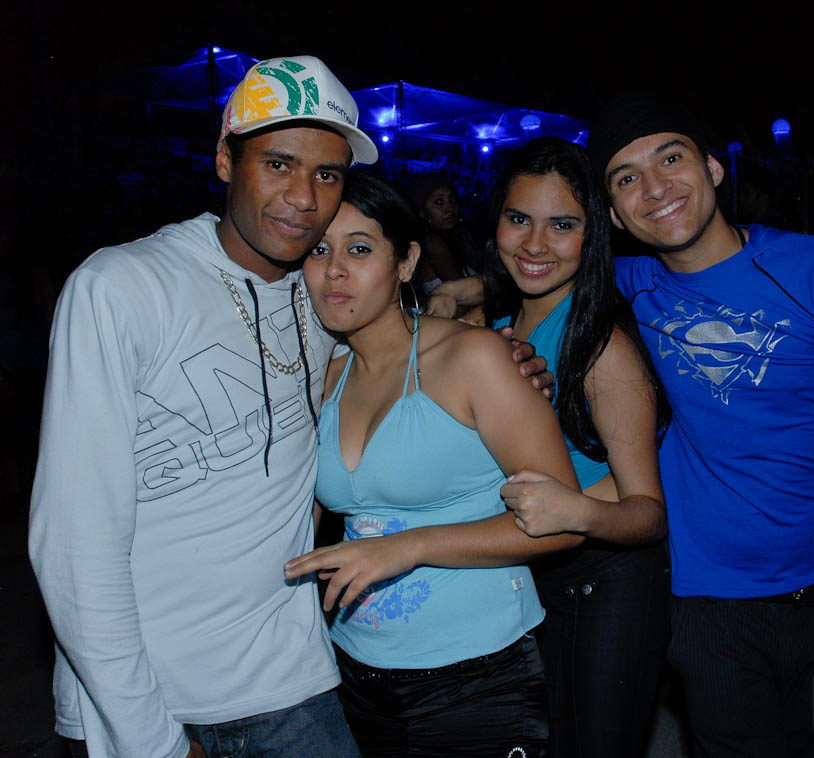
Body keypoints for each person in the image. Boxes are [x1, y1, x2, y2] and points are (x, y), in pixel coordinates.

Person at [28, 55, 551, 758]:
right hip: (155, 701)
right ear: (224, 160)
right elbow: (71, 543)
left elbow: (398, 334)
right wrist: (147, 736)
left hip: (297, 683)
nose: (304, 197)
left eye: (327, 174)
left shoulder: (318, 301)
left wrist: (499, 354)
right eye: (278, 164)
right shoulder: (121, 288)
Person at [584, 96, 814, 757]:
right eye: (626, 178)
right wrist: (466, 291)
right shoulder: (625, 284)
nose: (654, 188)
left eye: (671, 159)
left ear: (712, 168)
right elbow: (533, 273)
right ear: (615, 214)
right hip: (707, 601)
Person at [283, 173, 581, 758]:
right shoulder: (324, 378)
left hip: (476, 672)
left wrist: (410, 546)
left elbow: (564, 523)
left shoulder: (474, 357)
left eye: (359, 249)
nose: (334, 270)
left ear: (406, 261)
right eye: (318, 250)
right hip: (352, 668)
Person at [478, 137, 670, 758]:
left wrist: (574, 510)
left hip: (606, 584)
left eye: (562, 225)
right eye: (519, 219)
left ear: (593, 236)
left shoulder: (602, 346)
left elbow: (648, 513)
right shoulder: (501, 326)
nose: (535, 244)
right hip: (532, 577)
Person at [410, 172, 478, 292]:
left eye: (452, 200)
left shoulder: (457, 239)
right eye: (439, 202)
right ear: (422, 211)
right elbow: (462, 292)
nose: (449, 208)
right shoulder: (432, 243)